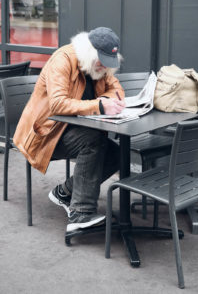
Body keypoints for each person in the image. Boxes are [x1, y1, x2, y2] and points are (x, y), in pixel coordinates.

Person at [13, 27, 125, 232]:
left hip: (74, 131)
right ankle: (80, 213)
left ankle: (64, 192)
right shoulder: (63, 60)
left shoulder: (99, 67)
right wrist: (99, 105)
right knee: (94, 141)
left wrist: (110, 100)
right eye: (101, 61)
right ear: (89, 52)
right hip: (46, 135)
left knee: (117, 153)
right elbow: (57, 104)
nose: (103, 68)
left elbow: (116, 89)